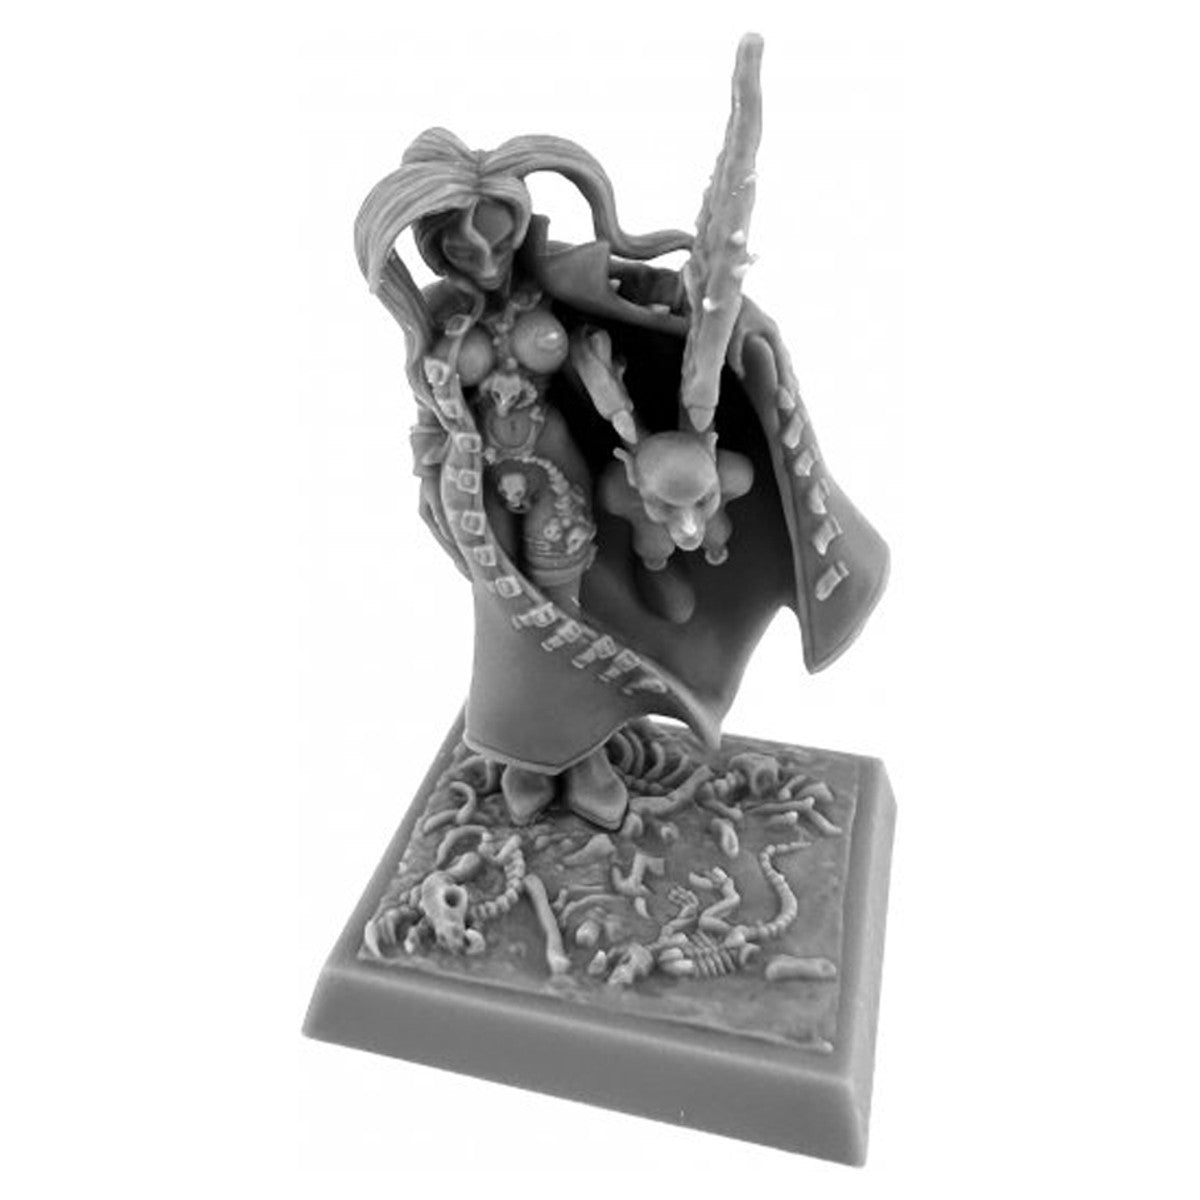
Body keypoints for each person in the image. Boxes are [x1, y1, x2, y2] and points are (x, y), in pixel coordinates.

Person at [355, 127, 888, 830]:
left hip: (559, 472)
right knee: (507, 628)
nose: (485, 261)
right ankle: (524, 758)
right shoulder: (437, 320)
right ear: (434, 250)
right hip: (481, 489)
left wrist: (708, 313)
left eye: (497, 240)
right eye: (461, 251)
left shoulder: (552, 281)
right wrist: (431, 484)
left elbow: (637, 304)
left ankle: (582, 755)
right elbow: (430, 422)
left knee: (563, 617)